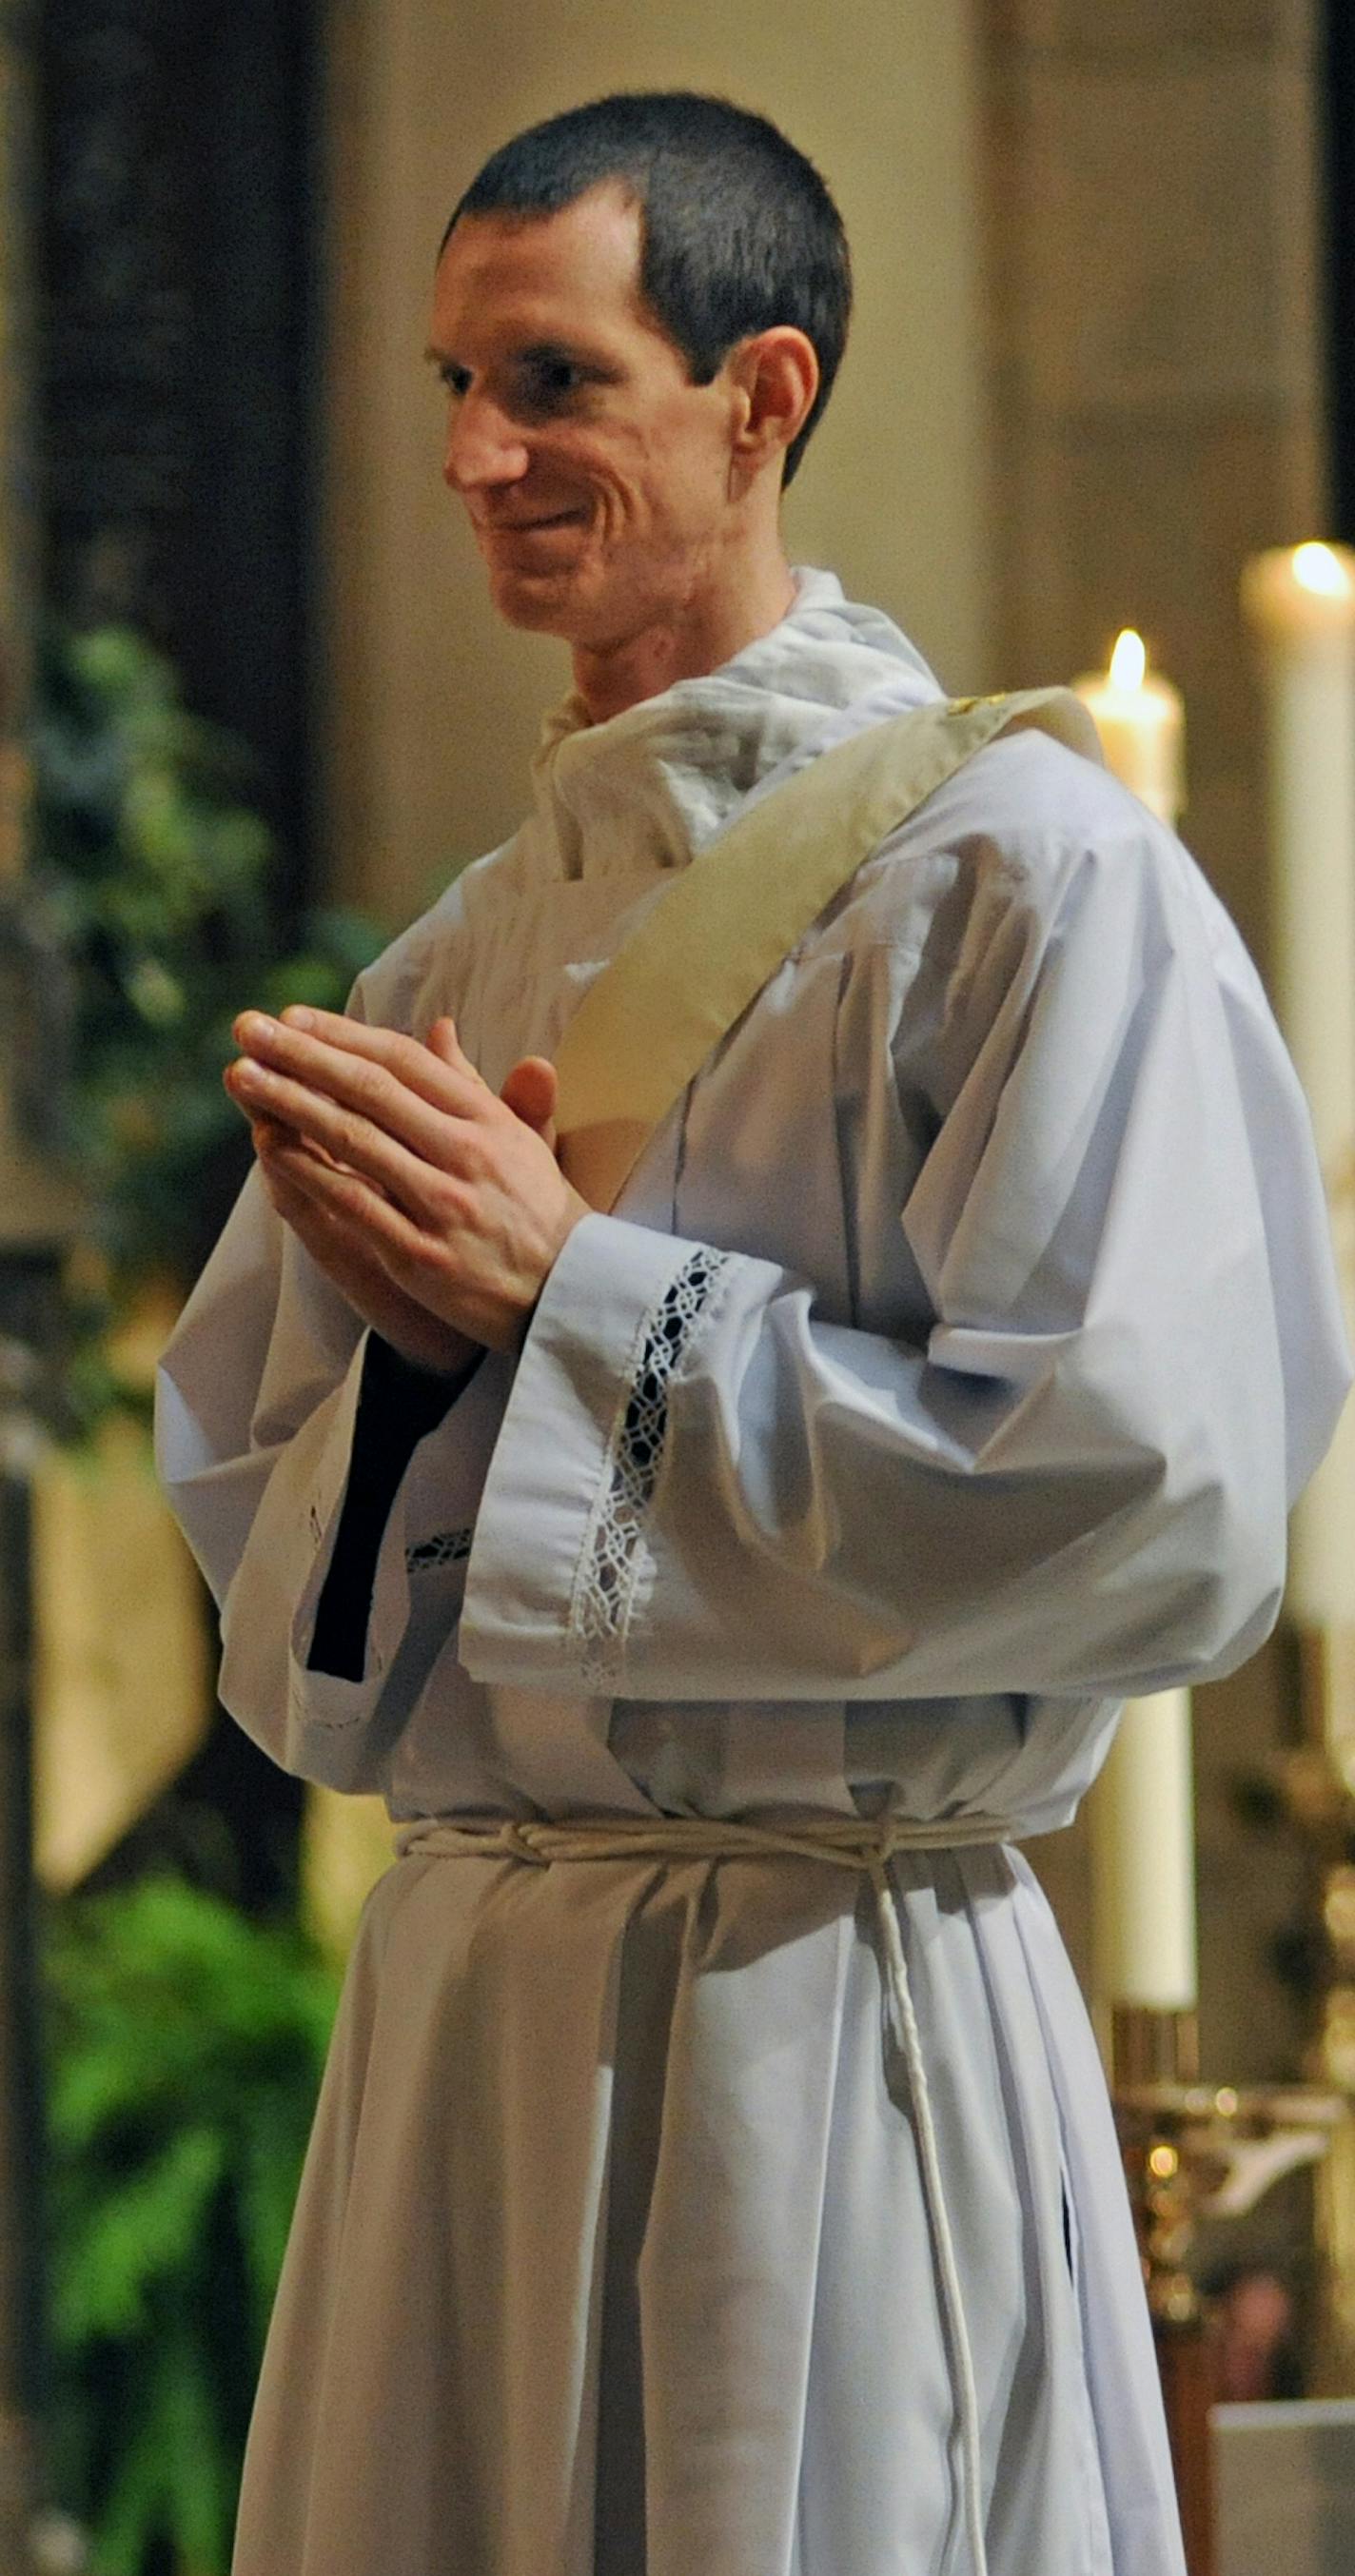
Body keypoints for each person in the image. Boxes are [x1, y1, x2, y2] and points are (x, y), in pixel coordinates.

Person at [154, 89, 1350, 2576]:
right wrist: (416, 1368)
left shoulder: (1022, 877)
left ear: (761, 391)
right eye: (453, 386)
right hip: (475, 2026)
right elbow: (303, 1618)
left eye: (556, 380)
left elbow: (1154, 1486)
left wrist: (562, 1302)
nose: (481, 455)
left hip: (816, 2006)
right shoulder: (462, 952)